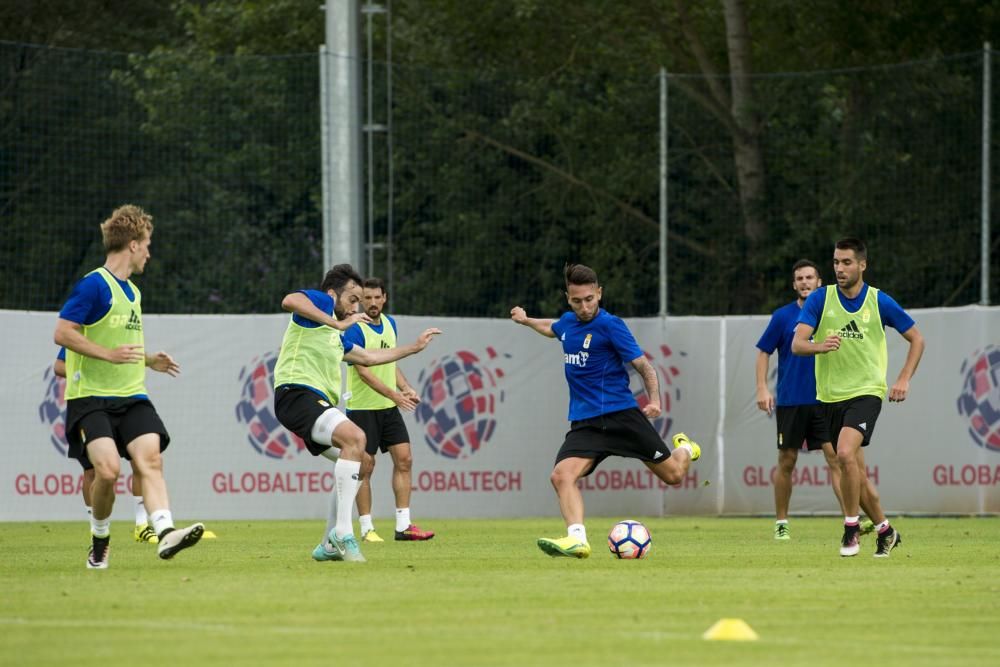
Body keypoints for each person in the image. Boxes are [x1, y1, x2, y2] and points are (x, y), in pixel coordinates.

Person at [511, 263, 701, 559]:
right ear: (568, 298)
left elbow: (643, 366)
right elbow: (552, 328)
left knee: (674, 475)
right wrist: (525, 320)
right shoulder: (568, 323)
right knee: (561, 476)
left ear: (599, 293)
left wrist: (654, 400)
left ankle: (686, 448)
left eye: (589, 299)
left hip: (621, 416)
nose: (584, 307)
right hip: (585, 423)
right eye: (577, 301)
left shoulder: (611, 325)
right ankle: (577, 540)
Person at [53, 205, 205, 569]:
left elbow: (124, 349)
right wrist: (107, 354)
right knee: (106, 472)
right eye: (148, 244)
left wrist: (149, 360)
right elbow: (62, 334)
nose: (150, 253)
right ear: (133, 245)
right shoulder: (93, 285)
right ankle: (100, 540)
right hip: (91, 400)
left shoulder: (133, 293)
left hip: (133, 397)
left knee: (151, 459)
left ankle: (166, 531)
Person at [272, 264, 440, 563]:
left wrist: (414, 348)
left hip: (312, 402)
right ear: (332, 294)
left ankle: (327, 545)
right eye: (352, 299)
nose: (356, 307)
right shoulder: (322, 305)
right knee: (355, 437)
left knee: (361, 462)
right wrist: (335, 323)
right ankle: (343, 532)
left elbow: (368, 357)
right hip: (295, 394)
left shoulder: (338, 336)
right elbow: (289, 300)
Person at [793, 238, 924, 558]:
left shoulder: (879, 301)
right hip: (828, 397)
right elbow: (798, 344)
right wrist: (819, 345)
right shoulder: (820, 299)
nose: (839, 268)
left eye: (847, 262)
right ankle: (886, 530)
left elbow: (916, 338)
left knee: (845, 454)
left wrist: (904, 378)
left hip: (866, 392)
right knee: (856, 474)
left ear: (862, 265)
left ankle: (851, 528)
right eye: (836, 262)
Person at [756, 260, 880, 540]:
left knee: (837, 458)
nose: (804, 282)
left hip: (827, 399)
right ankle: (781, 523)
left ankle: (852, 520)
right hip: (791, 400)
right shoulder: (782, 316)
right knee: (786, 460)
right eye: (799, 278)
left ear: (819, 282)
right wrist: (762, 388)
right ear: (794, 284)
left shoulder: (831, 312)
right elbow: (763, 351)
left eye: (809, 277)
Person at [343, 278, 435, 543]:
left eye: (376, 297)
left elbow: (390, 361)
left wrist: (405, 388)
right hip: (362, 407)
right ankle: (366, 527)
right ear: (361, 300)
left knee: (404, 459)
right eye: (367, 298)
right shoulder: (355, 328)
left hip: (387, 406)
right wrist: (394, 395)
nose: (372, 303)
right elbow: (363, 372)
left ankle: (403, 526)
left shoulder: (390, 324)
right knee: (365, 467)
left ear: (384, 298)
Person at [55, 348, 158, 543]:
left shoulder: (118, 330)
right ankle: (96, 529)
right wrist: (87, 375)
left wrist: (151, 361)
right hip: (91, 406)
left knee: (140, 461)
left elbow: (133, 358)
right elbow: (59, 366)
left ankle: (142, 525)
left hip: (124, 402)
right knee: (93, 471)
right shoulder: (80, 332)